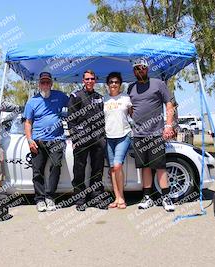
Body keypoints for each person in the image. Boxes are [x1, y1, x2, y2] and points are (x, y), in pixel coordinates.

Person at [128, 58, 175, 212]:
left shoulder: (158, 84)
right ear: (134, 71)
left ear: (147, 69)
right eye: (136, 69)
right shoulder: (130, 88)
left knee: (160, 166)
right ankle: (147, 197)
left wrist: (168, 125)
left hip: (156, 133)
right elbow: (131, 109)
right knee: (145, 167)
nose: (139, 71)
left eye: (142, 68)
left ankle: (166, 197)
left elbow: (169, 104)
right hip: (139, 134)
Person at [23, 72, 69, 212]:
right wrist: (30, 140)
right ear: (39, 84)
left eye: (47, 82)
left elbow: (73, 104)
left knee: (56, 166)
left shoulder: (60, 96)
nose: (45, 84)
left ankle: (50, 197)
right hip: (38, 140)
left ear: (51, 83)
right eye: (42, 82)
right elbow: (28, 123)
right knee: (38, 171)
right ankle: (40, 199)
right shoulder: (32, 101)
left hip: (57, 139)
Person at [67, 70, 111, 211]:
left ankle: (95, 197)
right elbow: (70, 119)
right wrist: (75, 138)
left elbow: (104, 118)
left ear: (95, 81)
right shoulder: (75, 96)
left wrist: (103, 137)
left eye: (92, 78)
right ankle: (80, 199)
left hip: (98, 139)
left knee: (97, 169)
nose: (90, 81)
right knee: (79, 169)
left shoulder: (100, 97)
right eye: (87, 79)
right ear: (83, 80)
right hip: (81, 138)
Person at [103, 72, 132, 209]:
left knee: (117, 165)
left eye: (116, 82)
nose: (113, 84)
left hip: (124, 135)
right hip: (109, 137)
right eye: (111, 82)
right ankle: (117, 198)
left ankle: (122, 198)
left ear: (120, 84)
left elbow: (133, 114)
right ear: (107, 84)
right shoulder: (104, 99)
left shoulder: (126, 97)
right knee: (113, 169)